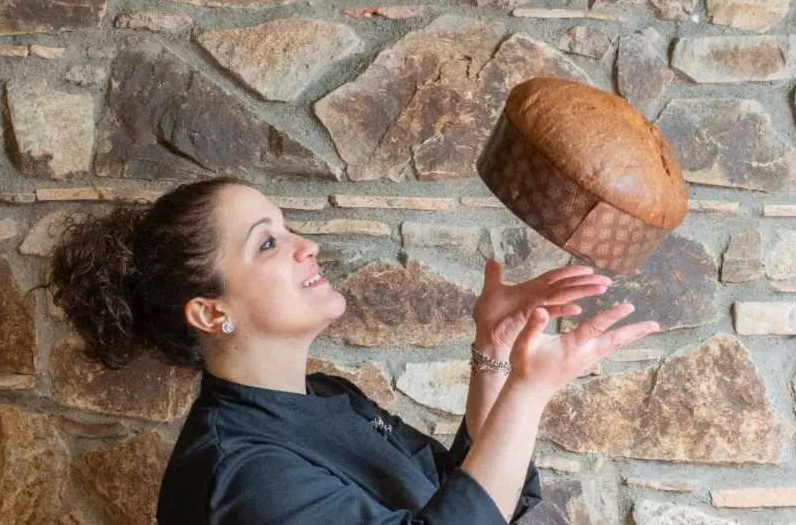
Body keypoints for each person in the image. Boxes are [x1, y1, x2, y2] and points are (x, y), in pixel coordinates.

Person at [45, 177, 661, 525]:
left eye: (288, 228)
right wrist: (529, 392)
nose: (305, 245)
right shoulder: (238, 475)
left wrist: (493, 350)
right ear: (212, 312)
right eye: (267, 244)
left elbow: (468, 496)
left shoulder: (330, 397)